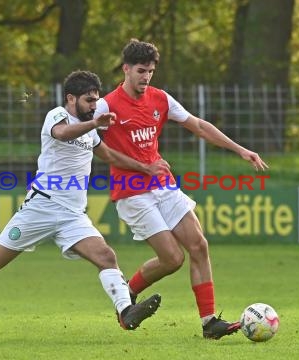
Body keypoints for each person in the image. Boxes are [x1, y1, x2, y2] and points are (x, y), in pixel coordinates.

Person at [0, 70, 167, 331]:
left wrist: (145, 167)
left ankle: (125, 311)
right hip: (41, 207)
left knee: (106, 256)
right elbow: (63, 134)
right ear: (71, 99)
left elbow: (110, 156)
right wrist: (95, 123)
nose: (94, 106)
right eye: (88, 100)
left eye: (96, 100)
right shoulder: (57, 115)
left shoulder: (90, 129)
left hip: (73, 215)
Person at [95, 39, 269, 339]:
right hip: (131, 190)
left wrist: (240, 150)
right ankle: (128, 295)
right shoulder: (106, 105)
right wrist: (142, 167)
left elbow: (199, 126)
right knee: (172, 259)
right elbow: (96, 147)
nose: (146, 77)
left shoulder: (160, 99)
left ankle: (209, 322)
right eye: (140, 71)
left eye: (150, 71)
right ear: (125, 69)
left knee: (199, 245)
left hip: (162, 184)